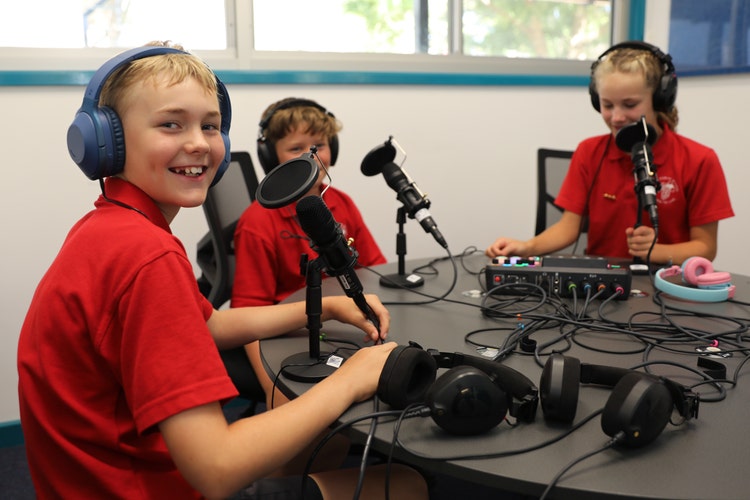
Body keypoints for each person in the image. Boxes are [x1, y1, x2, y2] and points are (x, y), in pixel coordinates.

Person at [17, 42, 427, 500]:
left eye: (210, 126)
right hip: (146, 487)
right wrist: (355, 378)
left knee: (319, 441)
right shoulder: (147, 257)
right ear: (107, 142)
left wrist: (326, 307)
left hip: (91, 480)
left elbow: (208, 323)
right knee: (406, 483)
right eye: (171, 124)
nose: (197, 142)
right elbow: (217, 468)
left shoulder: (109, 227)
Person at [486, 41, 734, 266]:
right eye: (607, 105)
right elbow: (568, 229)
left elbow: (705, 248)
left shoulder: (700, 159)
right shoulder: (589, 152)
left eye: (630, 105)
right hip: (601, 288)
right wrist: (527, 247)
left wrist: (655, 250)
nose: (616, 117)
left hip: (669, 287)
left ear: (660, 99)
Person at [232, 98, 387, 410]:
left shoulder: (341, 203)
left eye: (318, 145)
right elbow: (246, 318)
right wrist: (271, 388)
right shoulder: (258, 222)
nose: (310, 157)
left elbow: (375, 269)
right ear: (270, 156)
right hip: (290, 337)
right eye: (295, 148)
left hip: (344, 325)